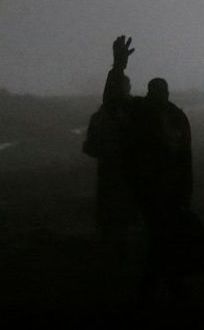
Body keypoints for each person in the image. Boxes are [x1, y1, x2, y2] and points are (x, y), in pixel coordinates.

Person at [105, 34, 199, 299]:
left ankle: (157, 286)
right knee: (163, 234)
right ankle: (163, 285)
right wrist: (117, 67)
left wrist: (118, 66)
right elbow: (184, 156)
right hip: (154, 185)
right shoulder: (171, 116)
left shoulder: (148, 113)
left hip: (153, 185)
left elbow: (112, 104)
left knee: (162, 235)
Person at [82, 36, 139, 252]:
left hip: (111, 166)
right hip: (121, 166)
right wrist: (118, 66)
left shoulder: (103, 115)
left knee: (111, 210)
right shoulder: (126, 110)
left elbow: (90, 147)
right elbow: (113, 98)